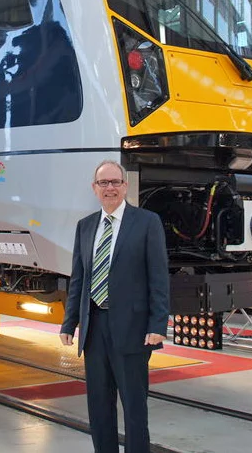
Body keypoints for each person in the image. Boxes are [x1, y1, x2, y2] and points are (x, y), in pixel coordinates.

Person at [59, 160, 170, 453]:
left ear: (125, 186)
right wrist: (69, 322)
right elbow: (78, 279)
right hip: (94, 328)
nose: (110, 188)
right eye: (104, 183)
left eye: (115, 183)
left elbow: (158, 278)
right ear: (94, 189)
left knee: (134, 408)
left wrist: (158, 326)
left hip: (132, 330)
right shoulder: (85, 227)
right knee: (99, 407)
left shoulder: (147, 222)